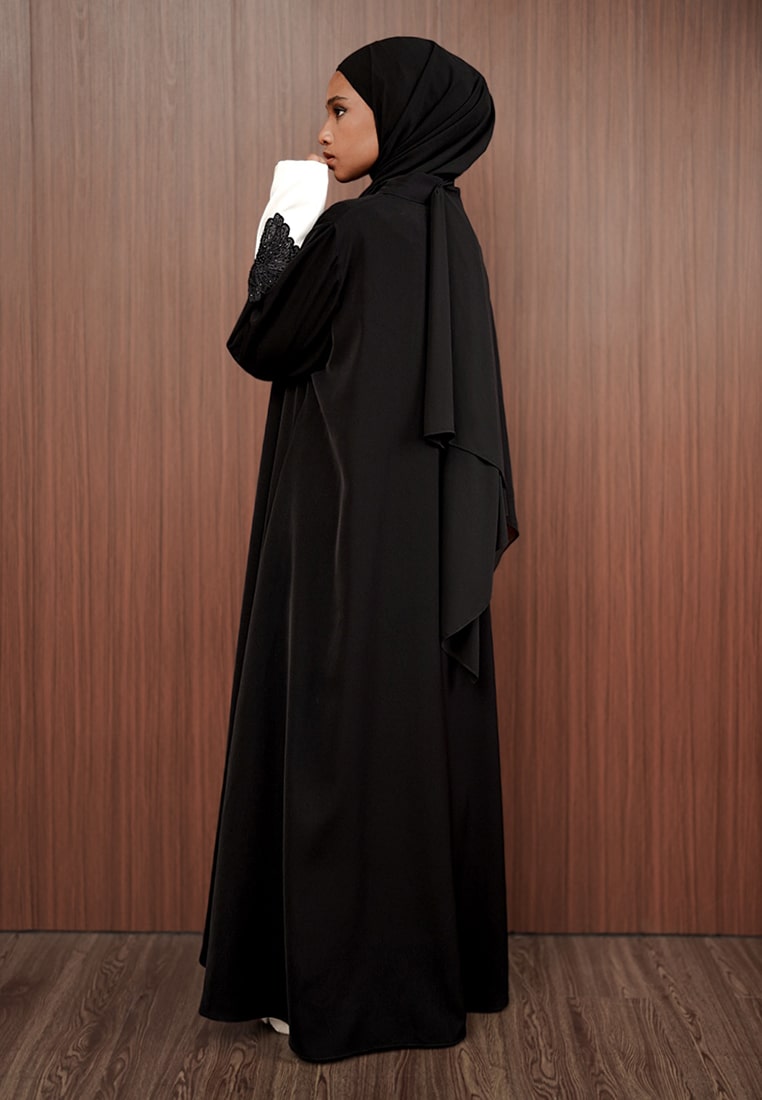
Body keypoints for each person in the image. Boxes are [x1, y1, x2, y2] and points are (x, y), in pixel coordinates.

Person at [198, 35, 519, 1063]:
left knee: (333, 736)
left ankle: (325, 980)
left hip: (341, 529)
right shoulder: (449, 233)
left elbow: (262, 341)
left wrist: (284, 222)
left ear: (401, 117)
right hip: (424, 544)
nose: (323, 130)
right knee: (407, 739)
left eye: (342, 110)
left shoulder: (355, 230)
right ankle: (429, 971)